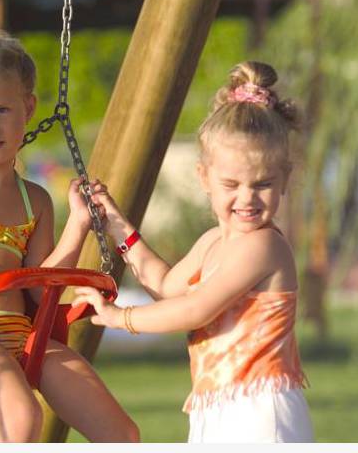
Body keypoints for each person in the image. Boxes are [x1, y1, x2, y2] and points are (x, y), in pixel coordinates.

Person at [0, 31, 138, 443]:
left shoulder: (35, 199)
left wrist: (78, 225)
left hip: (24, 335)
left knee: (122, 434)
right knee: (23, 418)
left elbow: (39, 289)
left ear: (28, 108)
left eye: (2, 110)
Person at [73, 61, 314, 443]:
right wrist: (117, 225)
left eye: (263, 184)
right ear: (204, 178)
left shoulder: (265, 245)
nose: (247, 198)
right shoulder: (212, 242)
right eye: (231, 184)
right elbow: (167, 287)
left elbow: (196, 309)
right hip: (215, 405)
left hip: (259, 409)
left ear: (285, 178)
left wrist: (121, 318)